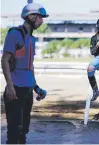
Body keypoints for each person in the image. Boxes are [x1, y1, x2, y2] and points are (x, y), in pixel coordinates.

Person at [1, 2, 48, 144]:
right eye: (40, 17)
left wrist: (37, 88)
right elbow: (4, 60)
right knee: (15, 130)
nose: (42, 21)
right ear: (31, 16)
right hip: (15, 90)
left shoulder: (32, 39)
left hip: (27, 90)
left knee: (24, 130)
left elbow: (30, 67)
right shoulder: (15, 34)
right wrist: (10, 86)